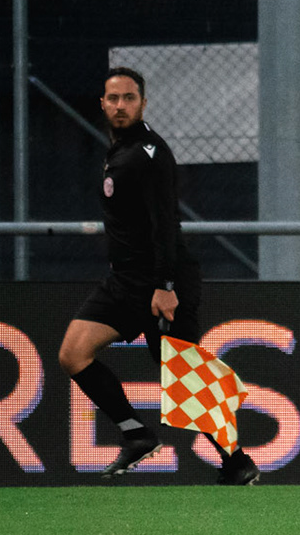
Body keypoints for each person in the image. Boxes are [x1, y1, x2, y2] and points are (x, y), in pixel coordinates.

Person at [57, 67, 260, 483]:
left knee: (182, 376)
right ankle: (137, 436)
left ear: (143, 103)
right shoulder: (119, 151)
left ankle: (236, 462)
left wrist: (165, 286)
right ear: (102, 103)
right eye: (113, 99)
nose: (120, 106)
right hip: (123, 282)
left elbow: (165, 223)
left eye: (129, 98)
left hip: (159, 282)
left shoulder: (147, 153)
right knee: (72, 354)